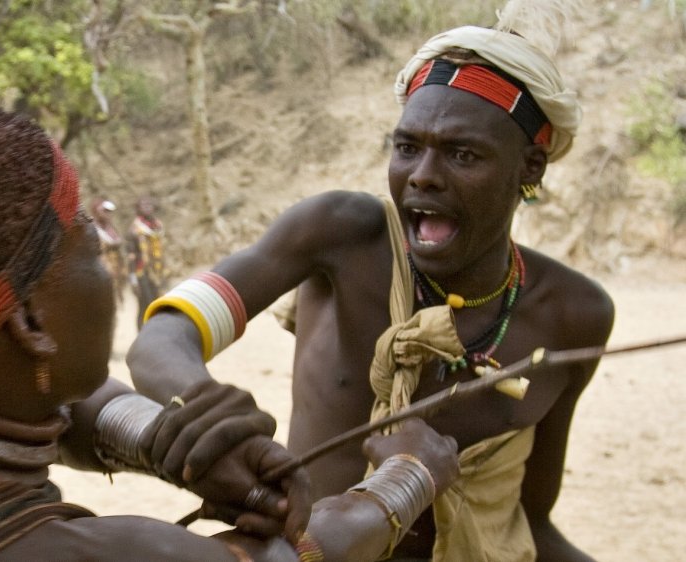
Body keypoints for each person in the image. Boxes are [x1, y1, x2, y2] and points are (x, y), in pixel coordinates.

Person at [0, 107, 458, 562]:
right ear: (30, 323)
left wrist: (163, 443)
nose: (112, 266)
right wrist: (407, 475)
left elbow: (30, 413)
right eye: (89, 243)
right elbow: (299, 554)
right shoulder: (96, 554)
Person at [127, 3, 614, 561]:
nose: (423, 175)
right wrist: (206, 405)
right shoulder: (340, 237)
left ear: (530, 166)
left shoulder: (575, 315)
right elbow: (164, 337)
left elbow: (527, 520)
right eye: (407, 147)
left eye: (461, 153)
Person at [126, 195, 167, 328]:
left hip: (158, 272)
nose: (147, 207)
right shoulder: (134, 230)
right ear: (138, 209)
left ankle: (156, 332)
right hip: (142, 273)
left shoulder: (158, 226)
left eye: (149, 204)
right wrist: (133, 279)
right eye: (143, 205)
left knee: (158, 303)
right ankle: (143, 335)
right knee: (146, 304)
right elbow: (131, 256)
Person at [90, 197, 127, 307]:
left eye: (109, 212)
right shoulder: (93, 229)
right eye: (104, 211)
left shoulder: (111, 228)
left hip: (117, 269)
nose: (108, 214)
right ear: (96, 211)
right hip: (103, 271)